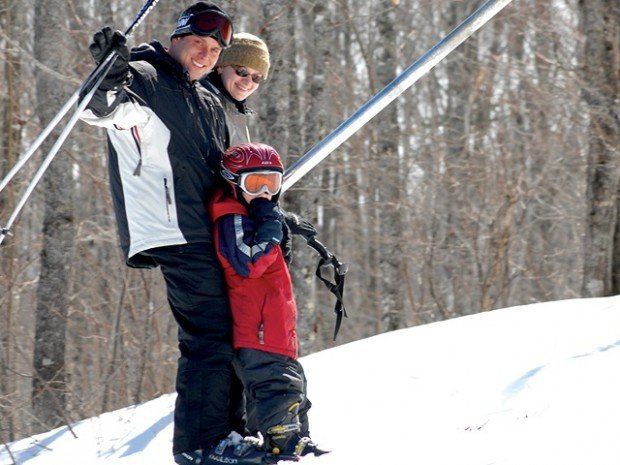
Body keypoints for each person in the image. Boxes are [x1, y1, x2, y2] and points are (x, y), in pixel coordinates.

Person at [79, 3, 241, 464]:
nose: (206, 55)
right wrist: (108, 71)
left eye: (214, 50)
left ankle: (230, 433)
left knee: (233, 330)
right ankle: (200, 445)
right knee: (209, 336)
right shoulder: (145, 76)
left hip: (210, 232)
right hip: (171, 230)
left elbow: (223, 172)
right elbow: (98, 110)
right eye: (198, 44)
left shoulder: (208, 99)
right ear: (178, 37)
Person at [206, 143, 328, 464]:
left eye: (270, 184)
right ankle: (281, 444)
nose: (263, 193)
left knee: (294, 386)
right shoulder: (231, 216)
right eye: (253, 184)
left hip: (274, 328)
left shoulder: (254, 214)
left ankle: (300, 438)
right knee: (278, 386)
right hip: (257, 331)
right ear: (233, 183)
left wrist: (280, 223)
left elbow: (272, 265)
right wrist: (272, 228)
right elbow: (248, 262)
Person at [202, 32, 270, 146]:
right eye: (242, 71)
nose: (248, 82)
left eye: (256, 77)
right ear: (221, 67)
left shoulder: (235, 111)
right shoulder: (203, 103)